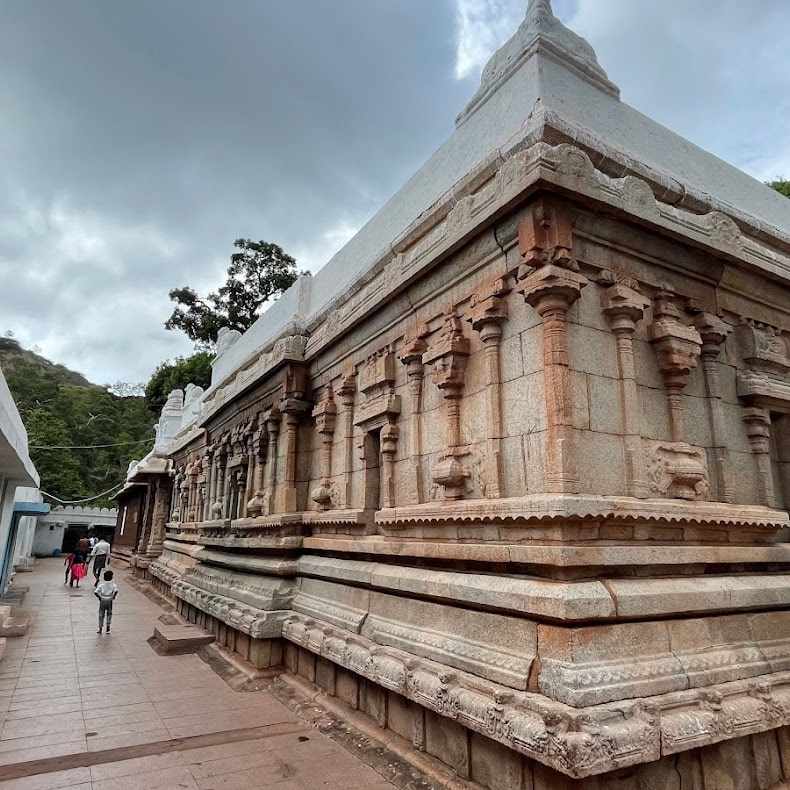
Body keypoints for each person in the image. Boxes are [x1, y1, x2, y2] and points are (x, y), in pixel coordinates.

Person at [95, 569, 118, 634]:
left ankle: (100, 629)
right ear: (111, 577)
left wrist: (100, 598)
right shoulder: (113, 584)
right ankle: (108, 629)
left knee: (101, 614)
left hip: (102, 600)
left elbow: (95, 592)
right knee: (109, 614)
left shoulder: (101, 585)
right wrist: (113, 597)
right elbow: (116, 591)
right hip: (109, 600)